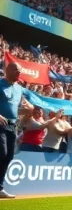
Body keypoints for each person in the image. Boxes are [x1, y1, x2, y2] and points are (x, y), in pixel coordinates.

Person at [0, 62, 34, 198]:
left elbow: (15, 109)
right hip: (0, 125)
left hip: (13, 126)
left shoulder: (19, 89)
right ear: (8, 70)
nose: (19, 74)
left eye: (20, 71)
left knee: (9, 156)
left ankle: (0, 188)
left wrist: (28, 110)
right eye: (17, 71)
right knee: (2, 152)